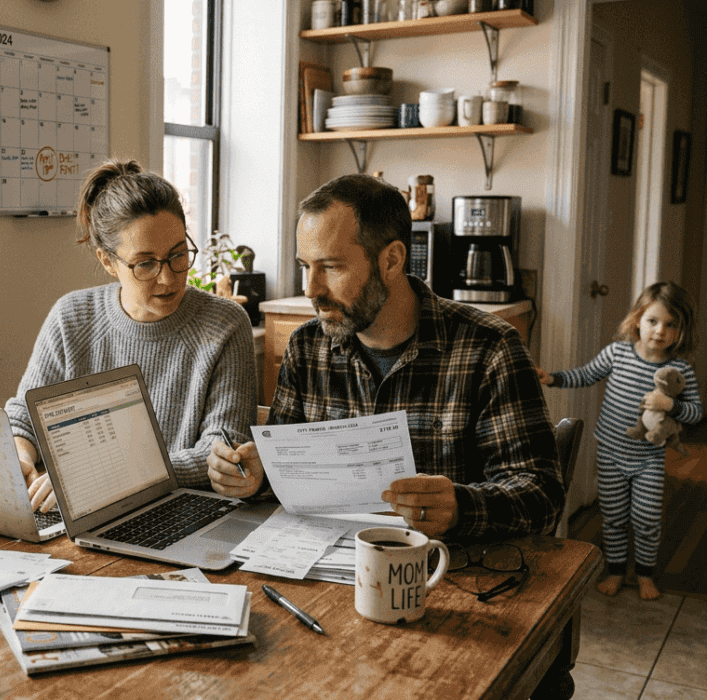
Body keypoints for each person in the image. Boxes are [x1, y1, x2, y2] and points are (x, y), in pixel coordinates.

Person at [207, 173, 564, 541]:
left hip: (444, 571)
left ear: (391, 261)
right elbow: (287, 477)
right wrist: (255, 475)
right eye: (304, 266)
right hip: (323, 565)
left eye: (331, 267)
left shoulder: (490, 347)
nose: (310, 289)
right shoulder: (306, 348)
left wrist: (460, 507)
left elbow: (542, 496)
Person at [5, 159, 257, 512]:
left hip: (178, 513)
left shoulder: (225, 324)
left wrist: (107, 477)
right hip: (72, 511)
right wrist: (20, 454)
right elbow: (26, 413)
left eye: (178, 255)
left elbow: (221, 452)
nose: (168, 278)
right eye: (145, 264)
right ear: (108, 262)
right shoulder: (71, 316)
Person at [536, 282, 701, 600]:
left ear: (681, 331)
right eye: (652, 321)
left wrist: (672, 406)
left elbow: (695, 413)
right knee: (612, 515)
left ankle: (644, 574)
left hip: (649, 457)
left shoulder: (680, 369)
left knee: (646, 516)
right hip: (610, 452)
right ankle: (614, 571)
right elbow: (585, 374)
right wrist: (552, 378)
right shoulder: (618, 353)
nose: (659, 331)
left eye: (671, 325)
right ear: (638, 318)